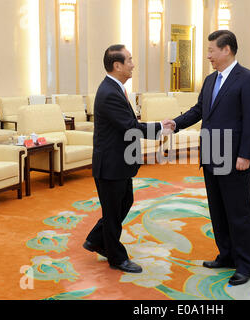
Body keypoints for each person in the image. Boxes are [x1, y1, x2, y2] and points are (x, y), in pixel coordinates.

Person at [164, 30, 250, 285]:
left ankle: (245, 264)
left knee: (238, 212)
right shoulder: (209, 80)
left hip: (234, 159)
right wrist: (175, 123)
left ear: (226, 49)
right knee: (218, 210)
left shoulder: (248, 79)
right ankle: (227, 255)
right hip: (210, 154)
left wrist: (245, 155)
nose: (208, 55)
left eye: (211, 50)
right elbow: (199, 110)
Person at [83, 44, 172, 273]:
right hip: (111, 165)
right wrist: (160, 128)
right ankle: (116, 257)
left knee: (124, 203)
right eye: (130, 60)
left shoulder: (115, 89)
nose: (133, 64)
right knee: (113, 213)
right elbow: (130, 127)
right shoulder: (109, 93)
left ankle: (95, 239)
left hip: (119, 163)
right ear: (117, 65)